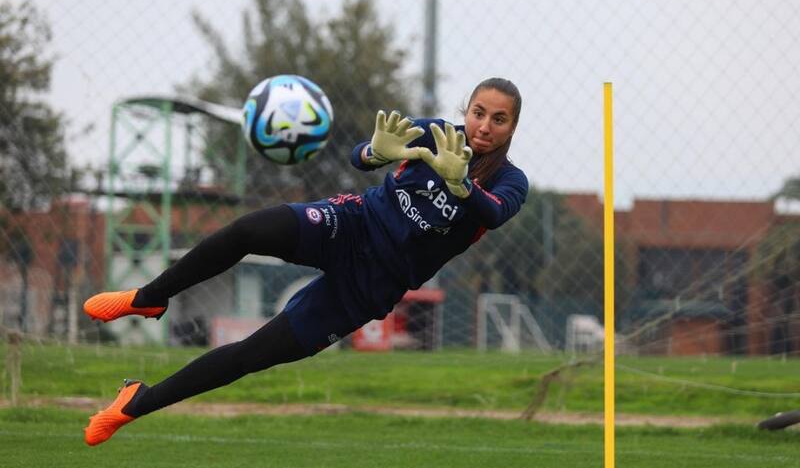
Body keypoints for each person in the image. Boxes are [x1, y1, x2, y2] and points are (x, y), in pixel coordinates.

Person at [82, 77, 529, 446]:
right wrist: (376, 152)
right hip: (353, 222)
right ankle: (148, 297)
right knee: (248, 231)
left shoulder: (511, 181)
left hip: (373, 284)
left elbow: (492, 211)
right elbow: (362, 155)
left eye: (499, 119)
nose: (485, 125)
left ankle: (135, 402)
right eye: (478, 112)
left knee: (250, 355)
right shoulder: (435, 133)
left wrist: (462, 186)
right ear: (466, 110)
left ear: (512, 128)